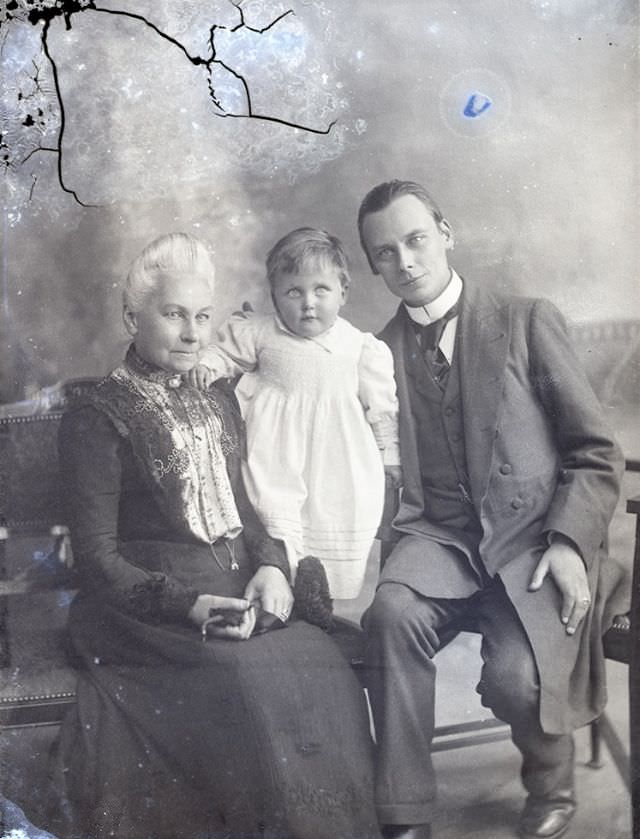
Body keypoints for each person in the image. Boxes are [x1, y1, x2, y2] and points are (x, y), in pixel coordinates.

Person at [46, 232, 382, 839]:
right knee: (246, 683)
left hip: (232, 584)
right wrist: (191, 604)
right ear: (132, 317)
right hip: (143, 607)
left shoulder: (218, 397)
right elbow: (98, 560)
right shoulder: (97, 416)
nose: (193, 334)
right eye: (173, 315)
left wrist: (272, 566)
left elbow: (250, 507)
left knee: (320, 663)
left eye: (202, 317)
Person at [357, 180, 627, 839]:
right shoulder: (372, 353)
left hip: (533, 540)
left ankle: (550, 780)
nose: (407, 262)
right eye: (386, 253)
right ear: (373, 266)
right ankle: (406, 809)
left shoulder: (527, 320)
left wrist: (569, 542)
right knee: (390, 613)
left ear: (446, 232)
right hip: (439, 541)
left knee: (514, 677)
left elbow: (595, 451)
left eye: (416, 240)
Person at [190, 227, 400, 600]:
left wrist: (390, 456)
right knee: (275, 512)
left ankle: (318, 597)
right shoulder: (261, 332)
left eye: (321, 290)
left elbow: (381, 409)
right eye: (293, 291)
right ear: (274, 295)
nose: (308, 303)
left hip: (337, 459)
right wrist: (209, 363)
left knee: (332, 516)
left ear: (343, 292)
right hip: (276, 452)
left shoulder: (359, 348)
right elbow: (226, 353)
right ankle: (278, 587)